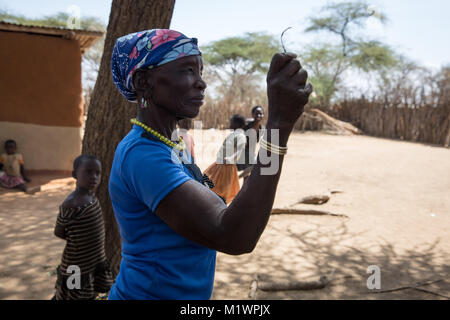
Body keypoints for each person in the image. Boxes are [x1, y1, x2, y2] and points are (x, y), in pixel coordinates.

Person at [108, 28, 312, 300]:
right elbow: (235, 235)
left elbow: (216, 214)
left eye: (200, 72)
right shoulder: (143, 156)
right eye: (187, 71)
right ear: (144, 82)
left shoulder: (173, 143)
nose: (201, 83)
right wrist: (279, 125)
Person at [52, 154, 113, 300]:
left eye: (98, 173)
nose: (94, 177)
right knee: (73, 294)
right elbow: (59, 231)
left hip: (93, 258)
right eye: (88, 172)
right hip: (76, 262)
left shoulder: (92, 198)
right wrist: (78, 239)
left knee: (89, 291)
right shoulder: (71, 204)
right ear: (75, 174)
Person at [203, 114, 247, 204]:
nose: (230, 123)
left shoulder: (241, 136)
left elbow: (240, 150)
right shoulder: (233, 135)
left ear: (238, 124)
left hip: (227, 167)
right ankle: (215, 203)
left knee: (222, 189)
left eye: (232, 122)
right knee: (205, 179)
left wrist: (230, 158)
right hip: (219, 164)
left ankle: (219, 206)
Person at [237, 106, 266, 182]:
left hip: (251, 153)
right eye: (256, 114)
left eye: (261, 114)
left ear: (263, 115)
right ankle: (236, 179)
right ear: (253, 115)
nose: (259, 116)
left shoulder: (261, 129)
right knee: (253, 167)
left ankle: (241, 189)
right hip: (241, 152)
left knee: (247, 177)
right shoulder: (246, 126)